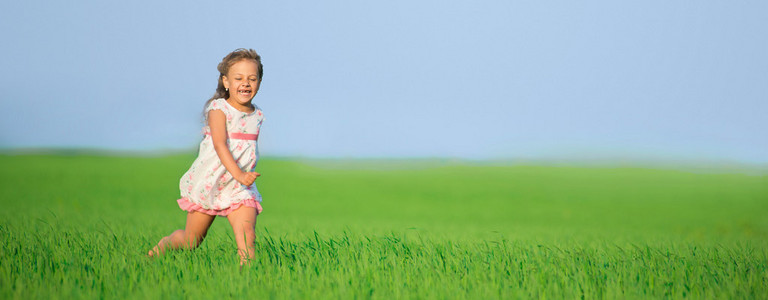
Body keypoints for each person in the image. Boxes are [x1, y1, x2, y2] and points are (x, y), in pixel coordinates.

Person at [148, 48, 265, 265]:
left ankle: (247, 279)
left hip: (239, 188)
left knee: (247, 236)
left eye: (252, 78)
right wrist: (239, 174)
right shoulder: (218, 109)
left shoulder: (257, 115)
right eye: (239, 78)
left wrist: (241, 179)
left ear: (259, 82)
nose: (246, 83)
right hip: (211, 181)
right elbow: (220, 145)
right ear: (226, 81)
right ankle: (162, 247)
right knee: (191, 241)